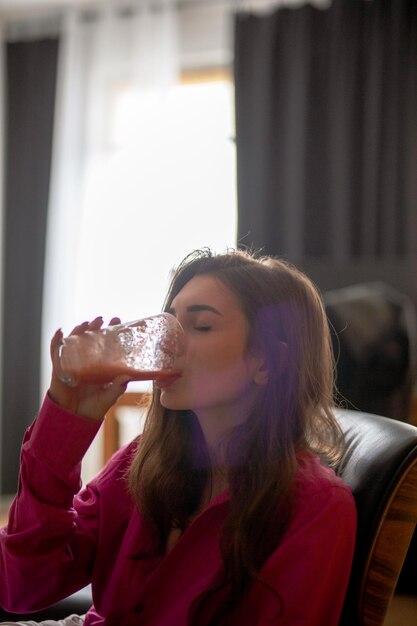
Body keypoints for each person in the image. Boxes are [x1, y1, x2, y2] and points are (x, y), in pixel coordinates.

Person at [0, 248, 356, 626]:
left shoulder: (316, 507)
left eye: (201, 325)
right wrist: (65, 421)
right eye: (169, 322)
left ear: (267, 363)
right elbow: (22, 585)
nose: (167, 341)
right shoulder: (142, 462)